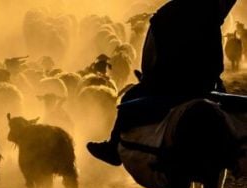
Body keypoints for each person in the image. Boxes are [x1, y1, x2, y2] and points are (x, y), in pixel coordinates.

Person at [87, 0, 238, 166]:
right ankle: (234, 152)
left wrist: (150, 79)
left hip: (167, 86)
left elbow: (149, 59)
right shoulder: (210, 13)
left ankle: (113, 148)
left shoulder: (165, 14)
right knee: (227, 112)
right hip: (203, 86)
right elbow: (217, 62)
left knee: (127, 99)